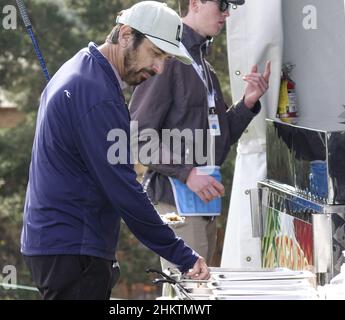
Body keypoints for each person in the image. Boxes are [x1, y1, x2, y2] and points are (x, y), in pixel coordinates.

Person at [20, 1, 210, 300]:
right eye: (156, 53)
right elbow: (123, 188)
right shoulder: (96, 93)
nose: (159, 68)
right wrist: (182, 255)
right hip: (73, 251)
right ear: (125, 35)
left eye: (165, 58)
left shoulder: (84, 68)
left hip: (61, 246)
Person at [129, 0, 271, 272]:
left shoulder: (202, 65)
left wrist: (248, 103)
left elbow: (221, 137)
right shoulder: (166, 60)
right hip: (177, 203)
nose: (227, 13)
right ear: (196, 3)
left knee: (199, 290)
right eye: (222, 5)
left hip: (203, 203)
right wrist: (188, 173)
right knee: (191, 291)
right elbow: (138, 137)